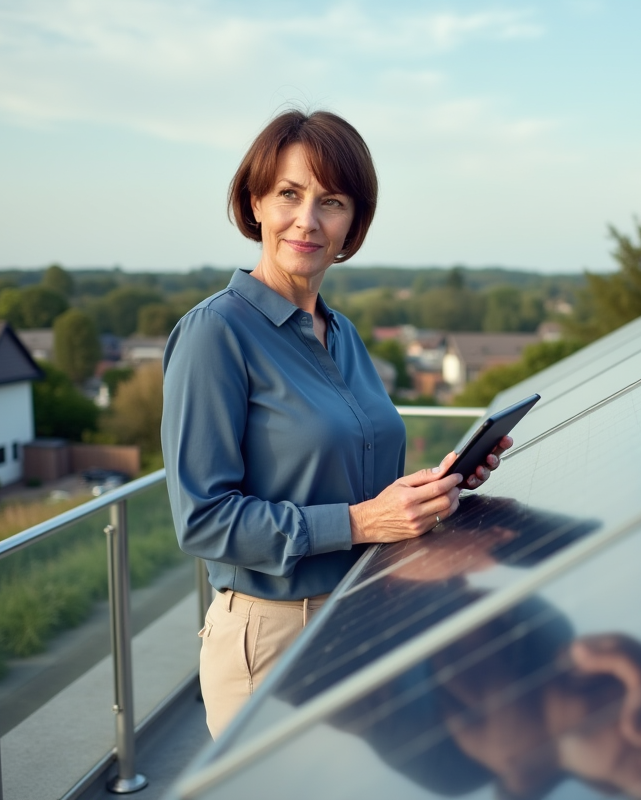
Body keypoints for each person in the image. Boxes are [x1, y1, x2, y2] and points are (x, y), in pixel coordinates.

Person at [161, 109, 510, 738]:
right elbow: (202, 519)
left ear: (354, 222)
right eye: (290, 194)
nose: (308, 220)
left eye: (333, 201)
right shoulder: (215, 333)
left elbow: (357, 481)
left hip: (365, 611)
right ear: (255, 202)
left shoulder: (341, 332)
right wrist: (359, 522)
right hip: (272, 637)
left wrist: (434, 490)